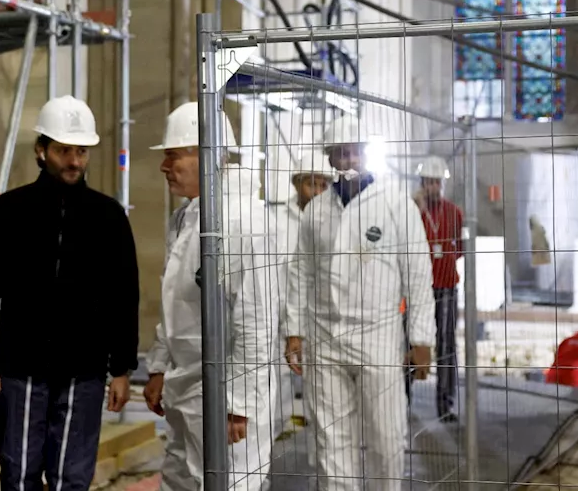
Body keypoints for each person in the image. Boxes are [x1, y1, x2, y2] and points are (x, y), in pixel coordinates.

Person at [0, 95, 140, 491]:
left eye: (81, 151)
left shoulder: (108, 217)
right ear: (41, 150)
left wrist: (122, 368)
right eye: (64, 150)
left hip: (86, 374)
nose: (75, 161)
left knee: (72, 479)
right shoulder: (10, 211)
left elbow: (124, 297)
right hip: (20, 371)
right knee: (18, 475)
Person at [281, 114, 435, 491]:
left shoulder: (396, 205)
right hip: (325, 336)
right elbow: (302, 273)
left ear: (366, 154)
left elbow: (417, 272)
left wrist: (421, 339)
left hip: (378, 335)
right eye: (341, 153)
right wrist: (294, 331)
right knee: (331, 439)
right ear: (331, 159)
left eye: (355, 152)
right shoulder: (317, 210)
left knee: (386, 434)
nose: (348, 159)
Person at [144, 101, 276, 491]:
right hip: (185, 383)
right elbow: (173, 302)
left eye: (173, 155)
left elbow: (256, 318)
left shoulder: (246, 221)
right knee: (180, 481)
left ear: (206, 153)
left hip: (222, 389)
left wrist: (240, 403)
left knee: (228, 483)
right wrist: (158, 367)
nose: (165, 166)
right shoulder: (187, 218)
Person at [275, 151, 333, 435]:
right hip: (276, 322)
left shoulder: (336, 223)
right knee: (276, 399)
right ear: (297, 183)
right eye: (312, 184)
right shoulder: (275, 222)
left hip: (320, 323)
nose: (318, 191)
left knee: (324, 408)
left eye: (324, 185)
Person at [411, 156, 465, 422]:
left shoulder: (454, 213)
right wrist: (418, 209)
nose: (432, 187)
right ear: (422, 183)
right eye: (428, 183)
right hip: (417, 288)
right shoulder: (411, 211)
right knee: (411, 340)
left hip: (446, 287)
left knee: (447, 345)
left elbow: (461, 250)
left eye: (437, 183)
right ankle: (404, 399)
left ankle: (446, 405)